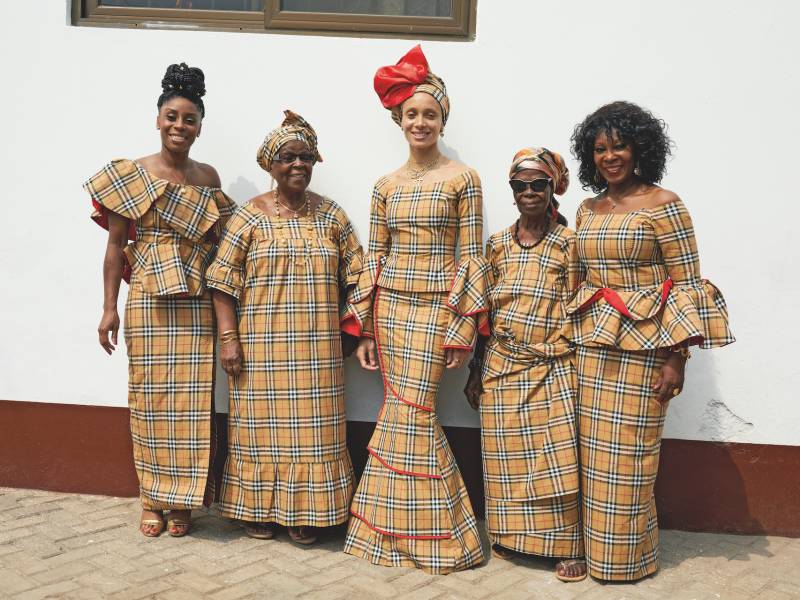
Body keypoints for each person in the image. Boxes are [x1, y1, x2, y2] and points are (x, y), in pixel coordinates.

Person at [567, 101, 735, 580]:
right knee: (592, 454)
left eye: (619, 145)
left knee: (632, 456)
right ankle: (591, 552)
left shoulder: (665, 204)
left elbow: (686, 284)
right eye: (600, 148)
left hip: (645, 348)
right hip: (593, 345)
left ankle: (626, 562)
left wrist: (675, 359)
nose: (610, 156)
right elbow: (579, 280)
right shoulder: (587, 208)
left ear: (640, 147)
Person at [343, 45, 487, 574]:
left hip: (433, 316)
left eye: (429, 113)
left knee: (415, 414)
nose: (420, 122)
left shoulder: (463, 179)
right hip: (391, 312)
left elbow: (471, 256)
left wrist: (461, 327)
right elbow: (374, 257)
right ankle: (389, 535)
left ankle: (435, 538)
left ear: (442, 118)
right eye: (411, 114)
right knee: (397, 412)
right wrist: (364, 332)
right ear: (398, 121)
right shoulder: (385, 186)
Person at [87, 63, 236, 537]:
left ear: (199, 127)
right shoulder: (133, 175)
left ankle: (183, 503)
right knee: (150, 398)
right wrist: (109, 307)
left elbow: (219, 246)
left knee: (192, 400)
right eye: (172, 116)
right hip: (148, 299)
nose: (179, 126)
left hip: (195, 299)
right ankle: (152, 497)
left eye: (189, 119)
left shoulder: (207, 176)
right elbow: (114, 247)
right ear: (158, 119)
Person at [206, 111, 363, 546]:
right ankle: (258, 510)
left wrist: (352, 329)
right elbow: (221, 282)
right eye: (288, 157)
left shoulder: (331, 216)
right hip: (259, 352)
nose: (298, 165)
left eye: (306, 157)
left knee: (316, 435)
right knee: (259, 434)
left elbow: (360, 275)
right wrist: (228, 339)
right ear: (270, 165)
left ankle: (307, 513)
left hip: (316, 354)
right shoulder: (249, 217)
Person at [464, 147, 587, 582]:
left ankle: (566, 546)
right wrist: (475, 371)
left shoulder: (570, 243)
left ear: (553, 188)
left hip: (552, 364)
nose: (530, 192)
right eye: (521, 185)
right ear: (512, 191)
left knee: (555, 461)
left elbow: (581, 306)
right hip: (502, 364)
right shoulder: (496, 243)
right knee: (505, 458)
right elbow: (484, 315)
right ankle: (511, 536)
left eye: (539, 184)